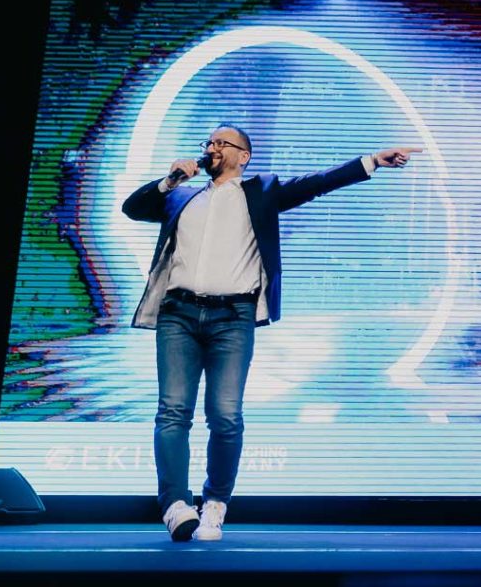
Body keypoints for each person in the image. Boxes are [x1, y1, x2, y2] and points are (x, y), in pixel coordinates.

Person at [123, 123, 420, 541]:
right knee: (173, 412)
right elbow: (133, 209)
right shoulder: (182, 194)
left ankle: (214, 504)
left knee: (225, 416)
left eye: (222, 143)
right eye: (209, 142)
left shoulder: (261, 191)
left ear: (243, 156)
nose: (212, 148)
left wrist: (372, 161)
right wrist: (170, 178)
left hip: (233, 317)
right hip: (179, 314)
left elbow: (318, 184)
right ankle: (175, 504)